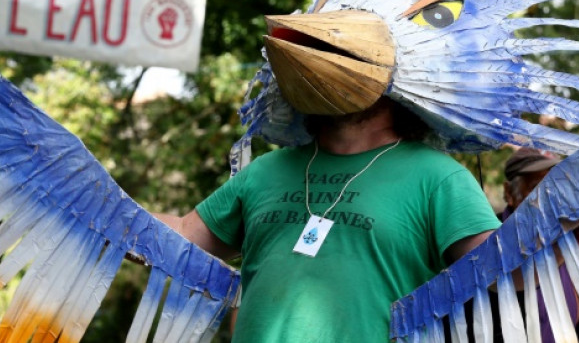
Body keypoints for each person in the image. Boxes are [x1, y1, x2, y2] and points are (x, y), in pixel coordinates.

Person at [156, 97, 503, 342]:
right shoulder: (266, 170)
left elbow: (506, 273)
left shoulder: (439, 176)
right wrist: (103, 208)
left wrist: (557, 220)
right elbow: (185, 235)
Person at [499, 147, 579, 343]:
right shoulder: (492, 242)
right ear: (509, 193)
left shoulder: (564, 235)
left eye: (556, 188)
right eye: (537, 188)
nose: (549, 199)